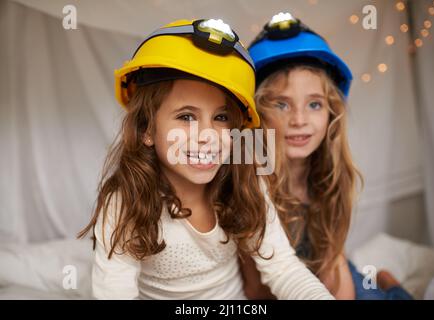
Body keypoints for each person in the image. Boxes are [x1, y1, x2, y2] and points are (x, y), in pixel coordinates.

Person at [78, 18, 333, 300]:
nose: (207, 136)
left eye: (221, 118)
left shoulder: (246, 183)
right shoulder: (125, 202)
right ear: (147, 129)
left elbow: (283, 268)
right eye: (186, 117)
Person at [241, 12, 413, 300]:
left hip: (330, 280)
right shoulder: (247, 187)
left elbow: (335, 264)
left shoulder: (329, 175)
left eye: (314, 105)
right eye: (281, 105)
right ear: (256, 114)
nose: (299, 119)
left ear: (331, 112)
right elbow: (256, 290)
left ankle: (389, 281)